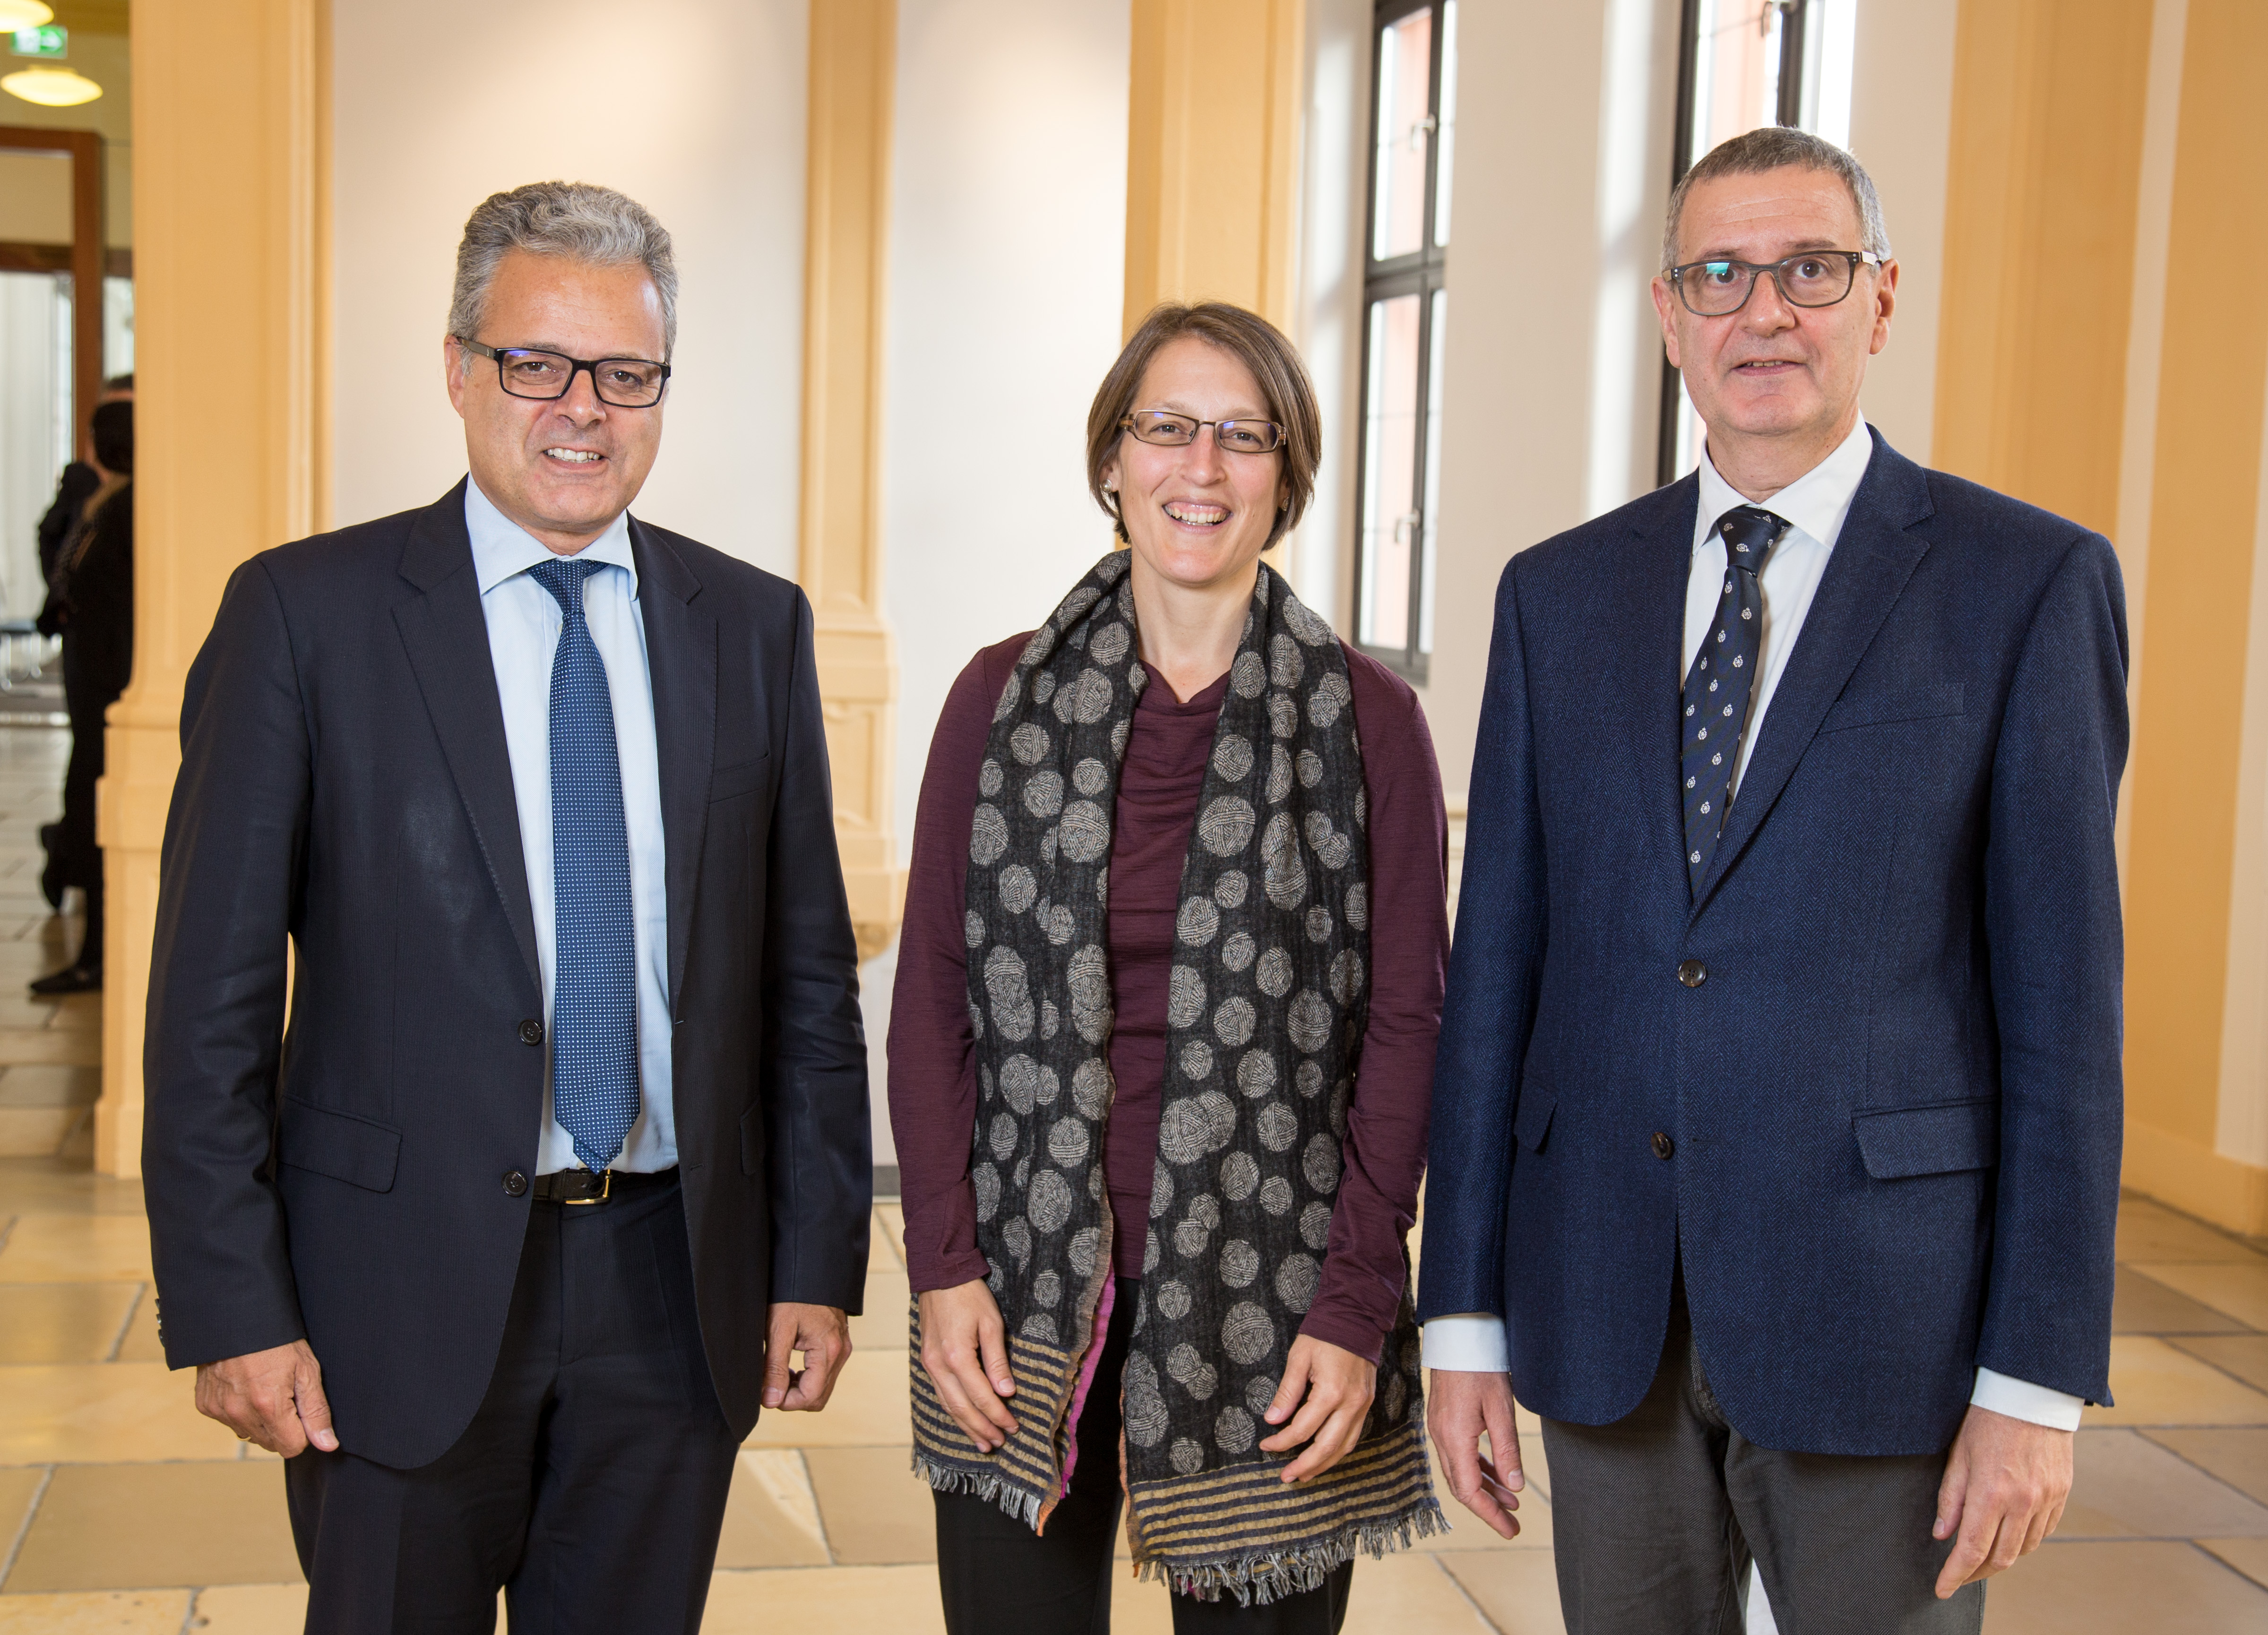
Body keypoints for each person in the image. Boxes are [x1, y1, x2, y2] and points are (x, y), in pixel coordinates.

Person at [1419, 125, 2126, 1634]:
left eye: (1808, 268)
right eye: (1719, 275)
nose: (1762, 312)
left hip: (1883, 1318)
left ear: (1878, 298)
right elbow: (1497, 978)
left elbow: (2064, 1013)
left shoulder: (2024, 586)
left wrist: (2034, 1378)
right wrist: (1462, 1315)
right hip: (1603, 1302)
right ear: (1669, 314)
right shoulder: (1557, 595)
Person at [142, 182, 871, 1634]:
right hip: (388, 1294)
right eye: (537, 362)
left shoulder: (752, 626)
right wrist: (232, 1301)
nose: (582, 408)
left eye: (627, 373)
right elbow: (207, 1002)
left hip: (672, 1289)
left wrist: (815, 1260)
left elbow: (804, 984)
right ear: (459, 369)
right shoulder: (305, 617)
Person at [890, 301, 1449, 1634]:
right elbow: (930, 1004)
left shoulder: (1370, 723)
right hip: (1016, 1284)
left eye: (1242, 436)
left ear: (1285, 473)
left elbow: (1406, 1029)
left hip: (1276, 1298)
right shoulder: (995, 699)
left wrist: (1354, 1307)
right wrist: (942, 1268)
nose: (1200, 467)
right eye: (1168, 427)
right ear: (1112, 457)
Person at [32, 396, 133, 995]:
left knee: (93, 810)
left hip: (107, 694)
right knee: (85, 805)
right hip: (91, 692)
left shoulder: (126, 508)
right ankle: (91, 949)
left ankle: (96, 957)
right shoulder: (105, 502)